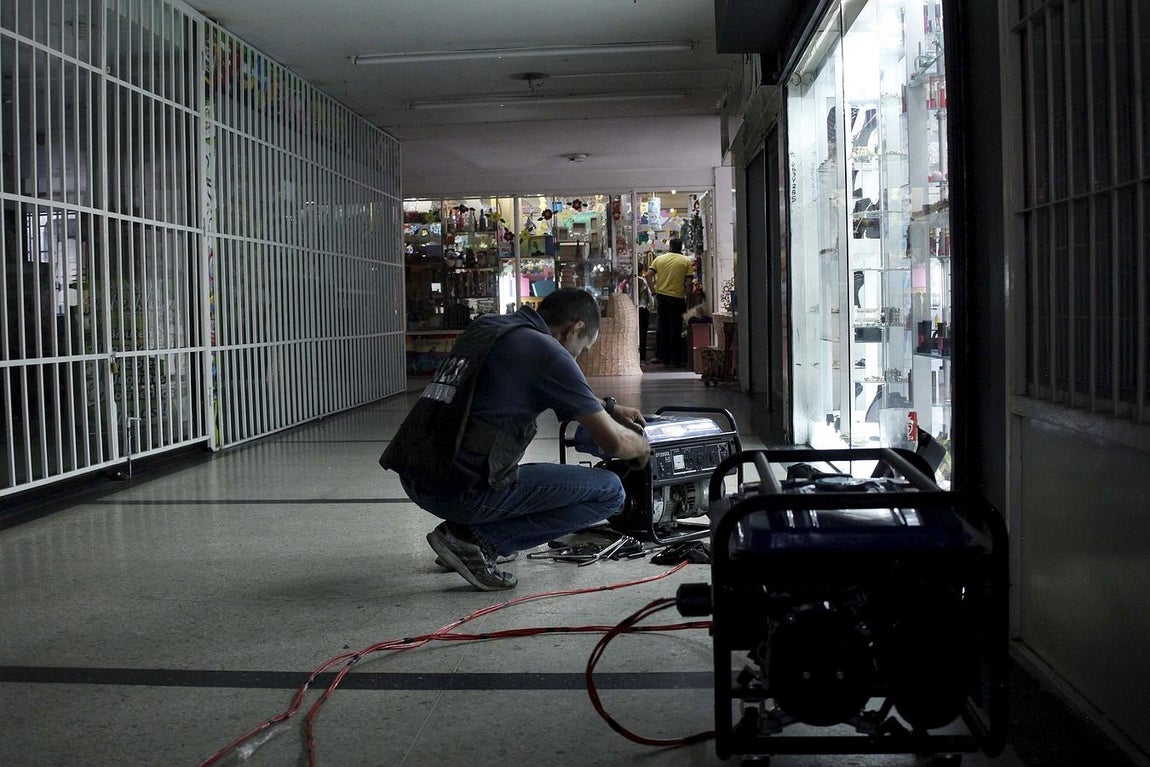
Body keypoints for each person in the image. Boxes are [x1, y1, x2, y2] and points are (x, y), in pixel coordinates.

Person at [379, 288, 651, 591]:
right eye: (583, 348)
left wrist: (610, 408)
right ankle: (474, 541)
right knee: (610, 493)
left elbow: (554, 387)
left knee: (531, 474)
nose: (579, 357)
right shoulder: (550, 353)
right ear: (575, 328)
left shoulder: (492, 327)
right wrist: (644, 446)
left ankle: (468, 532)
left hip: (418, 474)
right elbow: (614, 444)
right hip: (459, 491)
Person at [649, 238, 694, 367]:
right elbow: (688, 283)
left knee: (663, 328)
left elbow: (648, 275)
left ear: (670, 247)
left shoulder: (659, 259)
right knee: (676, 329)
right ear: (681, 247)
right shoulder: (686, 261)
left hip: (662, 297)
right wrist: (688, 299)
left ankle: (664, 358)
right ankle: (676, 360)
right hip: (677, 299)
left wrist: (654, 292)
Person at [637, 266, 655, 361]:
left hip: (634, 309)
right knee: (643, 333)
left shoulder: (629, 281)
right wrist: (652, 307)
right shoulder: (642, 281)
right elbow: (649, 296)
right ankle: (642, 356)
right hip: (643, 309)